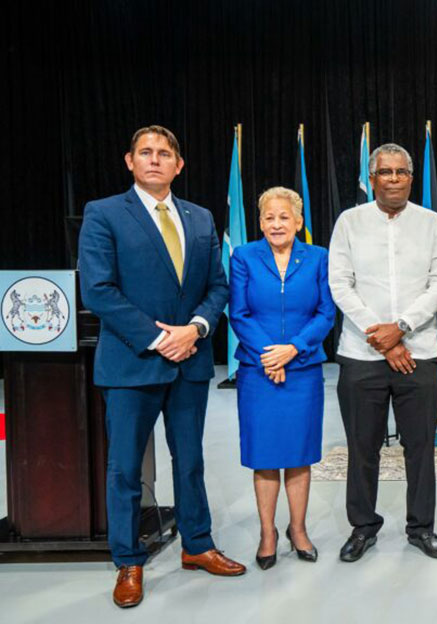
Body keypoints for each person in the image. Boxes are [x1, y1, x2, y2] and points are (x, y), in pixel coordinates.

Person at [78, 125, 245, 609]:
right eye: (145, 152)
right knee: (126, 470)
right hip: (132, 364)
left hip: (190, 363)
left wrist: (194, 328)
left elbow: (217, 287)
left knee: (190, 461)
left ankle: (198, 545)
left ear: (179, 165)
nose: (155, 159)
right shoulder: (105, 214)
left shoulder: (200, 217)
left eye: (164, 153)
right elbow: (99, 290)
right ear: (130, 161)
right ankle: (128, 561)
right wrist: (157, 338)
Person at [328, 143, 437, 560]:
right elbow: (339, 283)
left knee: (420, 448)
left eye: (401, 172)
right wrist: (379, 336)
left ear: (411, 178)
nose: (394, 179)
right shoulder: (349, 222)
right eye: (386, 172)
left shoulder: (432, 223)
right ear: (372, 178)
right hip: (361, 355)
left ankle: (421, 528)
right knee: (362, 448)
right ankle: (363, 527)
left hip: (418, 353)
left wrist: (399, 329)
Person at [228, 187, 335, 569]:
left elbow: (326, 313)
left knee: (300, 454)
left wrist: (293, 349)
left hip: (303, 369)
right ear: (260, 222)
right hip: (259, 372)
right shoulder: (243, 257)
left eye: (284, 217)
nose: (277, 223)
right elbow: (239, 314)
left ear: (299, 222)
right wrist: (269, 355)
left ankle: (299, 529)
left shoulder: (319, 257)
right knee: (266, 455)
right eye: (269, 217)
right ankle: (268, 532)